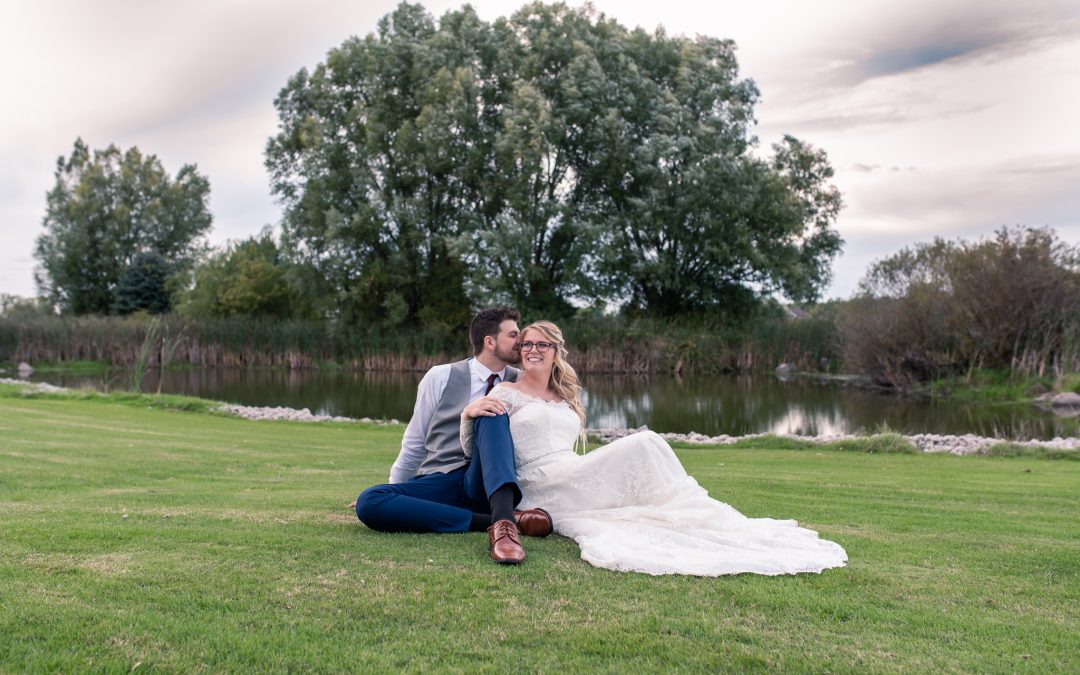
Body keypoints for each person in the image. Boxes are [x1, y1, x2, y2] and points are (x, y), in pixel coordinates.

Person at [461, 321, 848, 576]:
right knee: (645, 441)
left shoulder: (565, 397)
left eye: (540, 344)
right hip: (538, 482)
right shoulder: (505, 393)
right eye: (525, 344)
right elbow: (481, 447)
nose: (531, 350)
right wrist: (469, 414)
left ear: (555, 351)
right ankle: (510, 521)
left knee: (646, 448)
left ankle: (684, 509)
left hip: (569, 470)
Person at [353, 306, 554, 565]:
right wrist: (397, 489)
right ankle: (506, 520)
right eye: (514, 335)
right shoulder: (441, 376)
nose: (522, 342)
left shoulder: (519, 381)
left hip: (487, 482)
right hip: (442, 479)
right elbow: (414, 442)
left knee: (490, 412)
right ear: (490, 341)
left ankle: (504, 525)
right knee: (370, 501)